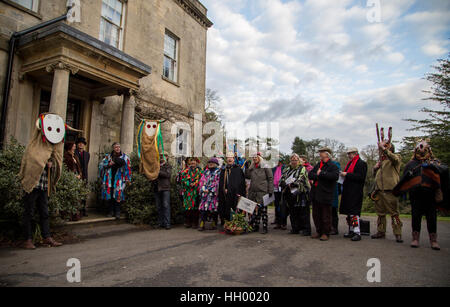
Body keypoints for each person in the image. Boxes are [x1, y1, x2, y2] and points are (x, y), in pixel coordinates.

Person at [394, 140, 447, 250]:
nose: (421, 152)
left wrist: (432, 166)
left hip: (430, 194)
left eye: (424, 150)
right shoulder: (411, 164)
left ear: (428, 150)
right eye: (419, 150)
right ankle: (415, 238)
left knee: (431, 217)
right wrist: (406, 182)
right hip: (416, 195)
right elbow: (404, 180)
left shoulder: (435, 162)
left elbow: (444, 170)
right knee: (416, 216)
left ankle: (433, 240)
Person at [22, 159, 63, 249]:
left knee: (44, 213)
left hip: (43, 186)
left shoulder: (49, 153)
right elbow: (30, 163)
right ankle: (27, 239)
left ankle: (46, 237)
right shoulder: (34, 150)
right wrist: (44, 164)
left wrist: (51, 165)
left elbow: (55, 167)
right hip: (32, 186)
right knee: (29, 212)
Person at [371, 141, 403, 243]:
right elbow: (375, 175)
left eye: (382, 149)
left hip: (390, 190)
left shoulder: (395, 159)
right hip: (379, 190)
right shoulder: (381, 161)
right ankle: (381, 231)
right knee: (380, 213)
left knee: (394, 213)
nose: (380, 151)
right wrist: (375, 168)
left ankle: (398, 233)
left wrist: (385, 149)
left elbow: (395, 158)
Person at [309, 147, 340, 241]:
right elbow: (310, 175)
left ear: (327, 154)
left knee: (326, 214)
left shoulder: (333, 166)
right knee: (316, 214)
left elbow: (334, 177)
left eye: (321, 152)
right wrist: (319, 175)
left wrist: (321, 174)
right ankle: (319, 231)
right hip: (316, 192)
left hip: (326, 193)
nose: (319, 154)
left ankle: (326, 233)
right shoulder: (318, 165)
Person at [339, 148, 368, 241]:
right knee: (349, 212)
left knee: (354, 212)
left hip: (355, 191)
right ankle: (351, 230)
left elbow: (360, 177)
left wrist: (347, 174)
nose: (348, 156)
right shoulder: (350, 164)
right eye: (348, 154)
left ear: (355, 153)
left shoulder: (361, 164)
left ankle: (357, 232)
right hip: (348, 190)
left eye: (350, 154)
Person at [280, 153, 311, 236]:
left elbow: (302, 178)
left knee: (303, 212)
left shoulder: (302, 168)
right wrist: (282, 182)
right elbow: (282, 177)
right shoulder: (287, 169)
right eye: (292, 160)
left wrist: (294, 183)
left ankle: (306, 229)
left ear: (299, 161)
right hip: (289, 193)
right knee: (292, 211)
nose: (294, 161)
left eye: (295, 160)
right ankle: (295, 228)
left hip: (301, 192)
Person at [99, 142, 131, 219]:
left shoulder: (125, 157)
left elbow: (128, 169)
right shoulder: (108, 157)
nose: (117, 148)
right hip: (109, 178)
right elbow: (101, 165)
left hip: (119, 179)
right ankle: (110, 211)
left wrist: (128, 179)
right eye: (116, 147)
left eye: (119, 147)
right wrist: (108, 164)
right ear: (113, 148)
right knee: (109, 195)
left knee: (118, 195)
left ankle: (117, 212)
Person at [245, 153, 274, 234]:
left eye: (256, 157)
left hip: (263, 191)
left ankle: (265, 227)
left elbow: (270, 178)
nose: (254, 158)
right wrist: (247, 168)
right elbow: (247, 176)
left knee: (263, 210)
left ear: (259, 158)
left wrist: (270, 190)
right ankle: (256, 226)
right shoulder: (252, 167)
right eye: (253, 157)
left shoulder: (265, 166)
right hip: (253, 191)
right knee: (254, 210)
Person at [218, 152, 246, 225]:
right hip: (225, 194)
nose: (229, 159)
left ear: (234, 159)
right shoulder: (223, 170)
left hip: (235, 193)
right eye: (228, 157)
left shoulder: (238, 169)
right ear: (226, 159)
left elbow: (241, 183)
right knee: (225, 208)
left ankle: (235, 223)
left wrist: (240, 193)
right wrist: (224, 189)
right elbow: (221, 182)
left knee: (235, 208)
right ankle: (226, 223)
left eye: (231, 157)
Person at [198, 157, 221, 231]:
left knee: (214, 210)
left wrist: (210, 189)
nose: (210, 164)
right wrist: (204, 189)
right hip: (205, 194)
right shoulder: (205, 172)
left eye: (212, 163)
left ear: (216, 164)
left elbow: (217, 182)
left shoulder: (218, 172)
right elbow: (202, 181)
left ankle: (214, 223)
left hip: (213, 195)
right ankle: (202, 223)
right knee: (203, 210)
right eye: (209, 162)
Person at [180, 157, 202, 228]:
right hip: (188, 191)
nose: (193, 162)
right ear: (189, 162)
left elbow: (202, 179)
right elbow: (183, 179)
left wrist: (195, 183)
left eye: (194, 161)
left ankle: (195, 223)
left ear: (196, 162)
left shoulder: (200, 171)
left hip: (196, 192)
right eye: (191, 161)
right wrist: (189, 183)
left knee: (195, 207)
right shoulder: (185, 171)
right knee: (187, 207)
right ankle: (188, 222)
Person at [154, 153, 172, 230]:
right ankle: (160, 223)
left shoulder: (168, 166)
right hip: (156, 188)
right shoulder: (156, 165)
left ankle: (167, 223)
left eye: (164, 156)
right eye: (160, 156)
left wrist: (158, 171)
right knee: (158, 206)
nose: (162, 157)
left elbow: (167, 175)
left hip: (165, 188)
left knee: (166, 206)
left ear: (167, 157)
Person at [75, 137, 90, 216]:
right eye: (79, 143)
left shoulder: (87, 154)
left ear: (84, 145)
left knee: (84, 193)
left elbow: (86, 165)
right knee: (76, 193)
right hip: (76, 175)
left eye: (82, 143)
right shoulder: (74, 152)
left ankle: (83, 210)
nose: (81, 144)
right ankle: (76, 211)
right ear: (77, 144)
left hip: (84, 176)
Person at [272, 159, 284, 229]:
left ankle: (283, 222)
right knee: (276, 205)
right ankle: (278, 221)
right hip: (275, 189)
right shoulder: (274, 168)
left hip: (282, 189)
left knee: (282, 206)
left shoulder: (284, 168)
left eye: (279, 161)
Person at [331, 160, 341, 235]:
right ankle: (330, 227)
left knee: (333, 211)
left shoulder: (335, 164)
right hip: (326, 192)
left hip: (333, 191)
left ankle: (334, 228)